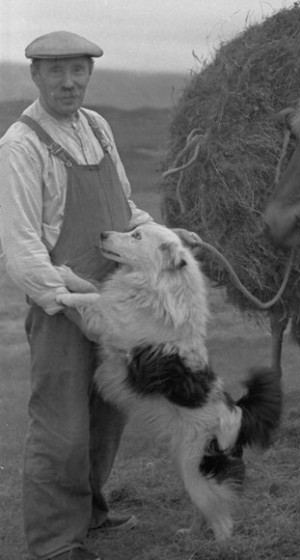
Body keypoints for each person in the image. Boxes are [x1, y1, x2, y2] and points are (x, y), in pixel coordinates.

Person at [0, 32, 154, 560]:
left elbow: (126, 208)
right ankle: (54, 542)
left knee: (109, 415)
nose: (69, 82)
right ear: (36, 76)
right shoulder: (21, 146)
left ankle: (92, 514)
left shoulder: (99, 129)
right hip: (63, 307)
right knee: (62, 428)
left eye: (79, 71)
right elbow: (20, 248)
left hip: (116, 301)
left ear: (90, 73)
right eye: (57, 71)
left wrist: (164, 237)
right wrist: (70, 302)